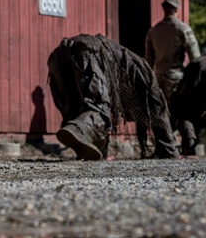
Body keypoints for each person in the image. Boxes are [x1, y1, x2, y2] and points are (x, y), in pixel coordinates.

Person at [47, 33, 178, 161]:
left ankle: (91, 147)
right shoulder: (147, 80)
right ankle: (77, 129)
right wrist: (169, 150)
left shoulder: (129, 73)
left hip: (57, 58)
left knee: (76, 112)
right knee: (98, 108)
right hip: (88, 51)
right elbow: (160, 114)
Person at [144, 0, 201, 100]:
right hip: (175, 79)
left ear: (164, 9)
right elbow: (196, 58)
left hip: (158, 79)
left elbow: (148, 61)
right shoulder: (183, 29)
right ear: (176, 9)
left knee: (160, 112)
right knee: (176, 113)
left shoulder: (152, 31)